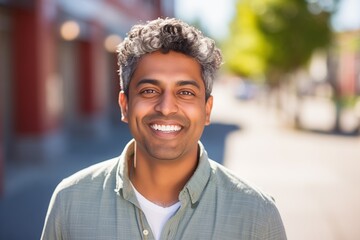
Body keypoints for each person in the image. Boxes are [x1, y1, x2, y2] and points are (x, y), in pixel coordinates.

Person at [41, 18, 287, 240]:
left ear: (207, 109)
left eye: (186, 92)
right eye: (149, 90)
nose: (167, 107)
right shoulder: (70, 201)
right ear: (125, 106)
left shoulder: (257, 215)